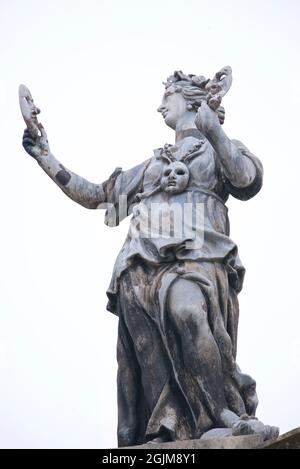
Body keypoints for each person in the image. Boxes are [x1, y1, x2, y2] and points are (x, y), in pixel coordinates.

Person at [22, 68, 278, 446]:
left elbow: (246, 181)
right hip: (139, 265)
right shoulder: (153, 166)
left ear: (190, 99)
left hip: (197, 255)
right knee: (148, 350)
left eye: (167, 96)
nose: (160, 106)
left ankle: (222, 414)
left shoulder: (217, 147)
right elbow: (99, 197)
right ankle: (165, 430)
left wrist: (214, 129)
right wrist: (45, 156)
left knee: (188, 312)